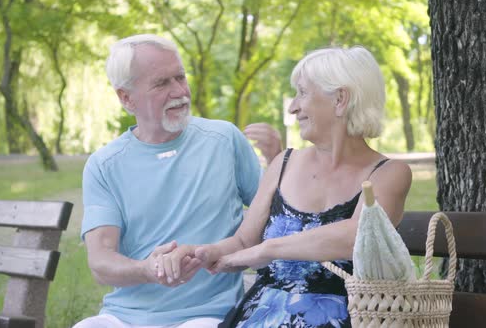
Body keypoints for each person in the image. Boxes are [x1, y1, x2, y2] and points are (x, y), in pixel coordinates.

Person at [160, 46, 412, 327]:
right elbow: (244, 242)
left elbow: (356, 237)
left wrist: (268, 250)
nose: (293, 106)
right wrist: (205, 252)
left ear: (340, 99)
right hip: (260, 315)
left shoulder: (389, 174)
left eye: (302, 93)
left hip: (342, 315)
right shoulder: (284, 163)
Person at [73, 34, 268, 328]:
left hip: (206, 316)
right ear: (126, 97)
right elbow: (101, 263)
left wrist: (278, 159)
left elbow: (274, 214)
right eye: (162, 83)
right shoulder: (104, 165)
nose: (179, 91)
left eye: (180, 77)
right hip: (122, 318)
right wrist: (147, 270)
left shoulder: (224, 140)